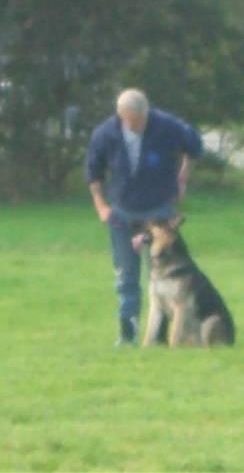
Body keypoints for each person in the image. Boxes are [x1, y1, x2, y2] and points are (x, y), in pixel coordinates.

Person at [85, 88, 203, 345]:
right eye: (129, 121)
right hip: (122, 214)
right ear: (120, 116)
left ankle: (164, 334)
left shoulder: (168, 127)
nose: (135, 126)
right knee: (126, 275)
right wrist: (101, 207)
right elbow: (93, 173)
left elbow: (194, 147)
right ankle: (127, 334)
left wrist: (182, 177)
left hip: (158, 211)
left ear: (146, 112)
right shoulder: (105, 134)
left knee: (163, 274)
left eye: (139, 120)